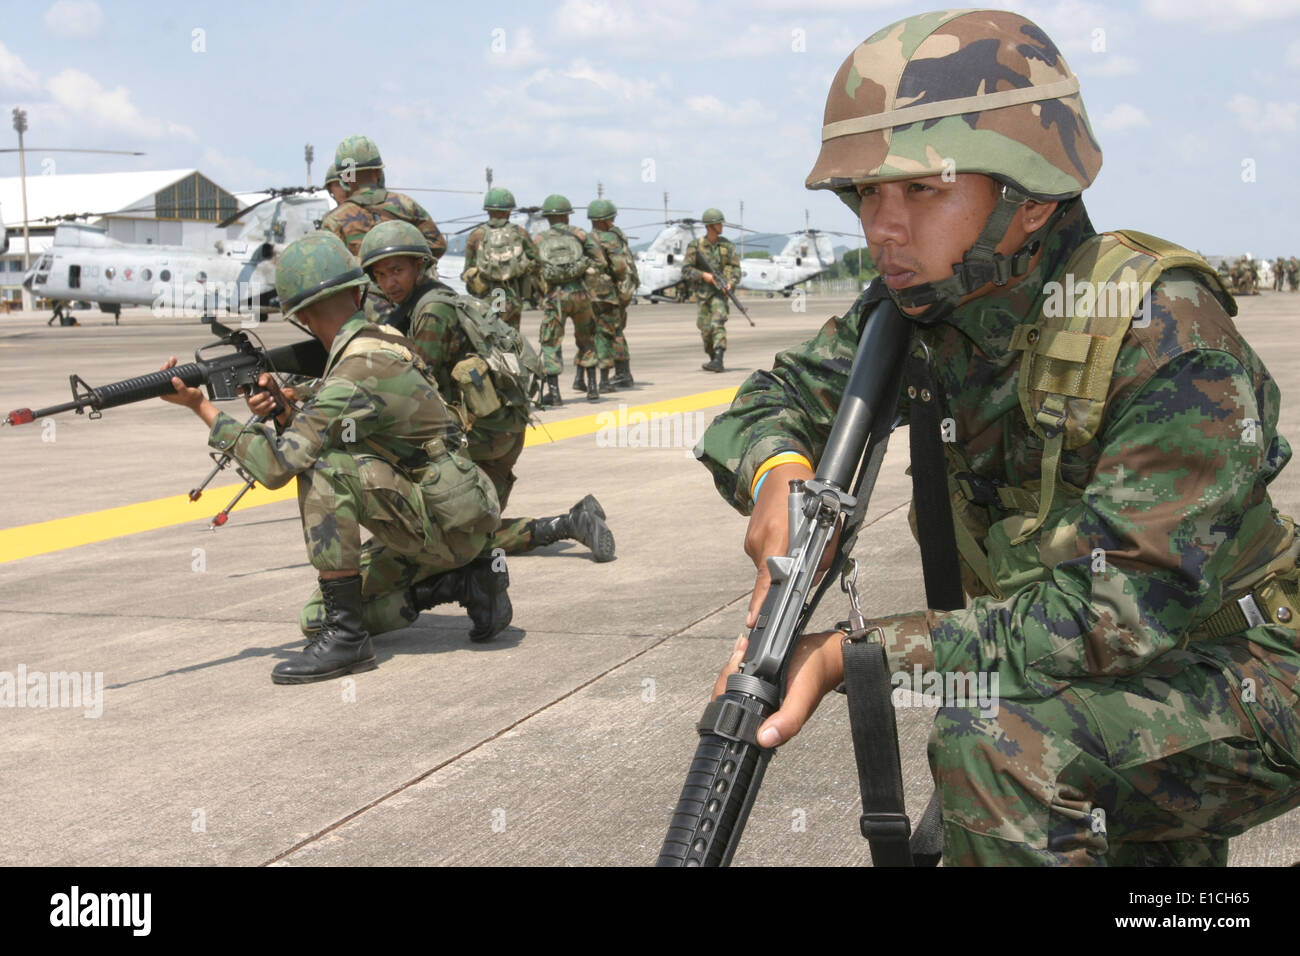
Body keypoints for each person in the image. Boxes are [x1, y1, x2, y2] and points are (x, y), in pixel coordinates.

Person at [697, 8, 1300, 865]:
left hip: (1249, 666)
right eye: (868, 194)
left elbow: (1104, 617)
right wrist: (779, 477)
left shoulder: (1166, 333)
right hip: (1107, 683)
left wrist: (846, 656)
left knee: (999, 744)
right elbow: (764, 404)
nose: (881, 228)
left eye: (922, 191)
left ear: (1029, 199)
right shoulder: (923, 308)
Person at [160, 231, 509, 684]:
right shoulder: (380, 340)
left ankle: (348, 640)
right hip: (453, 513)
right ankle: (461, 583)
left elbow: (276, 468)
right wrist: (286, 406)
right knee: (313, 618)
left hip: (443, 524)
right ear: (356, 290)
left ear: (300, 315)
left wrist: (201, 407)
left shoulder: (352, 372)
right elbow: (346, 420)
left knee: (324, 473)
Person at [359, 220, 615, 562]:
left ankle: (565, 525)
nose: (388, 282)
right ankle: (576, 520)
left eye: (396, 270)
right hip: (501, 429)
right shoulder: (436, 299)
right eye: (379, 275)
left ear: (419, 266)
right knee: (473, 532)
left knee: (447, 540)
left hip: (481, 439)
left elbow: (412, 386)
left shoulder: (432, 310)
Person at [320, 134, 447, 323]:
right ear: (378, 173)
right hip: (416, 299)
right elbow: (437, 245)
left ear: (344, 179)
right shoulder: (406, 205)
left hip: (368, 308)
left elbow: (330, 270)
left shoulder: (334, 220)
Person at [533, 194, 608, 404]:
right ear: (567, 216)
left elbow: (532, 267)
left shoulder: (539, 239)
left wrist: (543, 287)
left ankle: (555, 393)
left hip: (555, 297)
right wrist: (585, 275)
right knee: (587, 338)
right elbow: (600, 261)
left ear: (548, 217)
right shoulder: (580, 234)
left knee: (550, 341)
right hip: (581, 295)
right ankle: (592, 388)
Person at [461, 187, 539, 333]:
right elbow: (536, 260)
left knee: (489, 336)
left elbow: (468, 270)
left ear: (488, 210)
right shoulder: (519, 232)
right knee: (512, 337)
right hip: (513, 295)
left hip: (487, 297)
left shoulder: (476, 235)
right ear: (509, 210)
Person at [585, 198, 639, 391]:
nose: (613, 222)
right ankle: (622, 372)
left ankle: (620, 373)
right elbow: (620, 266)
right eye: (610, 218)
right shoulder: (612, 238)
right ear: (603, 220)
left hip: (596, 293)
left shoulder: (589, 237)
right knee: (614, 331)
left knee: (605, 332)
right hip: (611, 293)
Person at [680, 208, 740, 372]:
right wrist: (704, 276)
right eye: (719, 223)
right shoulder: (696, 246)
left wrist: (731, 283)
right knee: (705, 330)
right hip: (703, 294)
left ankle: (719, 358)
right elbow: (686, 270)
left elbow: (736, 269)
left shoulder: (726, 246)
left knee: (717, 323)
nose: (722, 226)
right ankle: (713, 357)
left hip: (720, 294)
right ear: (710, 226)